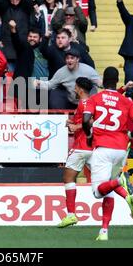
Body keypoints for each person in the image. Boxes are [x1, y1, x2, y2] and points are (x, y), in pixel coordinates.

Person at [82, 66, 133, 241]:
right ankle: (104, 231)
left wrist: (89, 135)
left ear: (103, 81)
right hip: (121, 150)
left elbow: (86, 120)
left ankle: (120, 180)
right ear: (118, 81)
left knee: (97, 192)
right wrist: (130, 135)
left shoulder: (94, 99)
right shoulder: (127, 101)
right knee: (108, 190)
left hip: (103, 148)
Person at [58, 77, 94, 228]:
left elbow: (91, 121)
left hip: (81, 146)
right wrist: (72, 123)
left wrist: (76, 127)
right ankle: (125, 191)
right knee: (103, 181)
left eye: (75, 86)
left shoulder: (85, 102)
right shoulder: (89, 102)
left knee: (68, 178)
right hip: (92, 146)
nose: (73, 88)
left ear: (80, 88)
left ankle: (71, 215)